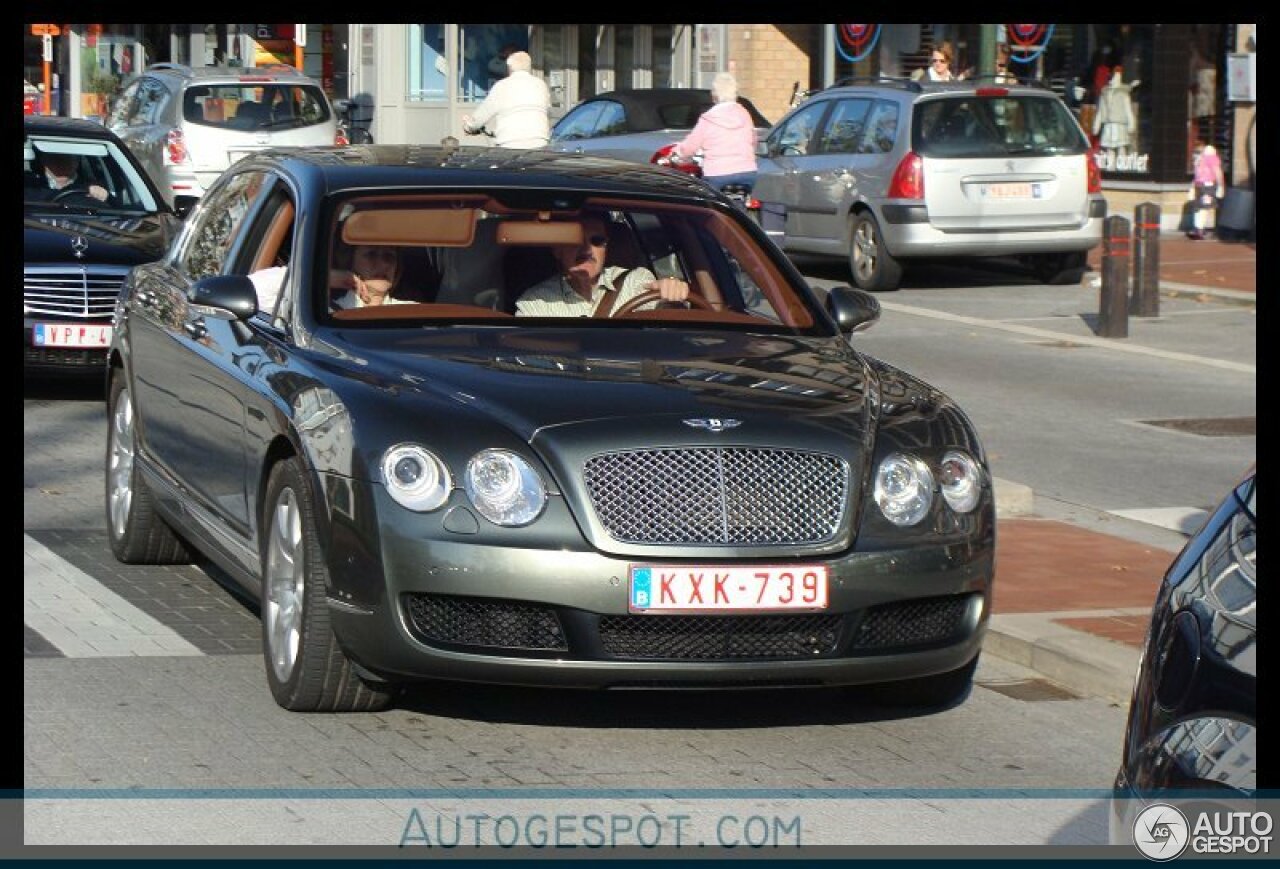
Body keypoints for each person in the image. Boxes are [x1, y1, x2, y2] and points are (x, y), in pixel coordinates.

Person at [514, 213, 691, 317]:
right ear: (557, 250)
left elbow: (668, 330)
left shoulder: (636, 281)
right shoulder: (534, 302)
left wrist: (672, 295)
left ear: (606, 248)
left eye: (597, 241)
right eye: (575, 241)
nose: (587, 250)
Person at [669, 72, 758, 194]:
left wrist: (677, 153)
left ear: (714, 95)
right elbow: (753, 141)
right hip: (747, 173)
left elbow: (690, 146)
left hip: (718, 174)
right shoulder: (744, 114)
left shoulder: (709, 118)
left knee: (708, 205)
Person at [460, 50, 551, 149]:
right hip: (540, 143)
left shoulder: (502, 86)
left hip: (510, 144)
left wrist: (469, 126)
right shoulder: (541, 85)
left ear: (509, 67)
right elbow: (548, 111)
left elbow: (482, 114)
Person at [330, 245, 412, 308]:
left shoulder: (413, 311)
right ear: (350, 261)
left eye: (390, 256)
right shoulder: (328, 312)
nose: (384, 264)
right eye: (371, 254)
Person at [31, 151, 109, 202]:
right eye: (56, 156)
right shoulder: (29, 185)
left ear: (77, 161)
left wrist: (103, 195)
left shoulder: (92, 186)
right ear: (43, 159)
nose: (62, 161)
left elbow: (114, 210)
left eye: (68, 157)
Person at [1188, 142, 1225, 240]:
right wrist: (1221, 185)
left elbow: (1197, 173)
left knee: (1198, 208)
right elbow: (1217, 171)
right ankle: (1199, 230)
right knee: (1204, 208)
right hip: (1207, 185)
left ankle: (1198, 229)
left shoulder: (1199, 157)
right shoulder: (1211, 157)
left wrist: (1192, 185)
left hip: (1198, 185)